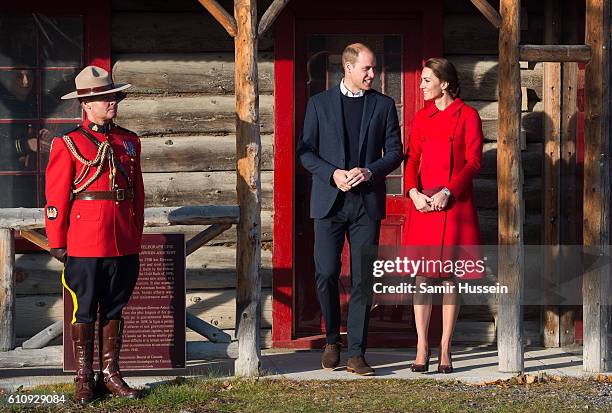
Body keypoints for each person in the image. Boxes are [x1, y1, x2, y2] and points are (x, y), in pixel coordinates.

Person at [298, 43, 403, 375]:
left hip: (366, 204)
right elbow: (305, 152)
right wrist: (332, 173)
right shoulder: (319, 104)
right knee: (326, 272)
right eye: (368, 69)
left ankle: (357, 352)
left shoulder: (384, 105)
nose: (374, 74)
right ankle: (332, 341)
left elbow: (396, 151)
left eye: (374, 69)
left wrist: (370, 170)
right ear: (348, 67)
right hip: (329, 202)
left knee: (363, 280)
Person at [45, 65, 144, 404]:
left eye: (113, 96)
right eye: (103, 98)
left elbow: (138, 195)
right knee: (84, 309)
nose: (111, 102)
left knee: (115, 308)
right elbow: (57, 197)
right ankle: (84, 376)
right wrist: (57, 242)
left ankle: (111, 373)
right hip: (85, 241)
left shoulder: (128, 141)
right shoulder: (68, 142)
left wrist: (135, 234)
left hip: (122, 240)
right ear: (85, 104)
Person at [403, 58, 484, 374]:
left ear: (445, 83)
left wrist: (449, 191)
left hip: (454, 204)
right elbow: (412, 159)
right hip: (423, 205)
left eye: (426, 80)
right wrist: (412, 193)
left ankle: (446, 348)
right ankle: (422, 345)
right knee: (422, 277)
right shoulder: (421, 117)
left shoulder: (468, 116)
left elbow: (474, 162)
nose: (421, 85)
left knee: (450, 278)